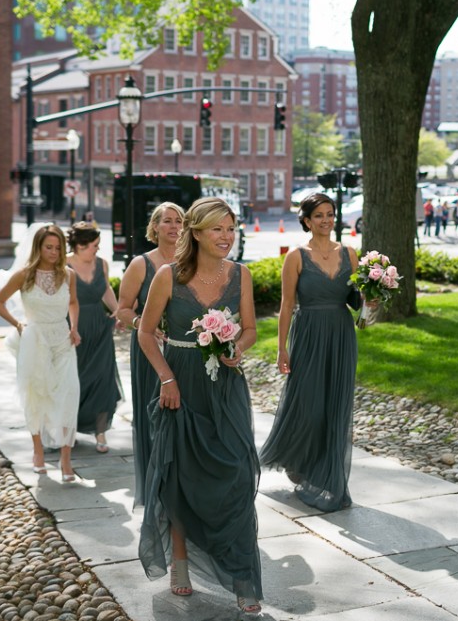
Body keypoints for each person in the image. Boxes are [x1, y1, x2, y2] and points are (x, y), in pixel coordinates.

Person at [136, 197, 263, 616]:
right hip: (181, 382)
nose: (227, 237)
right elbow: (146, 332)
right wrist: (166, 379)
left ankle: (243, 574)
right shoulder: (168, 276)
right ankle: (181, 562)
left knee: (239, 476)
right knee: (180, 475)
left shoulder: (240, 274)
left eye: (231, 229)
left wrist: (238, 349)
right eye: (217, 230)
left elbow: (249, 329)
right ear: (196, 233)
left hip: (225, 386)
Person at [259, 193, 359, 512]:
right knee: (308, 401)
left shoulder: (351, 254)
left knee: (336, 404)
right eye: (319, 215)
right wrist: (281, 348)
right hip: (309, 334)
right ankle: (296, 459)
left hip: (342, 334)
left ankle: (328, 475)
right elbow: (287, 305)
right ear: (306, 221)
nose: (326, 220)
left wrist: (372, 301)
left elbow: (355, 299)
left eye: (330, 214)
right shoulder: (296, 257)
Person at [0, 223, 81, 483]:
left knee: (67, 396)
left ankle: (66, 459)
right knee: (35, 396)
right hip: (35, 339)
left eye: (57, 248)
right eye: (48, 247)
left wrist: (74, 327)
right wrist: (18, 324)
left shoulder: (68, 275)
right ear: (38, 248)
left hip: (63, 340)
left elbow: (73, 302)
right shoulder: (24, 275)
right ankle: (38, 452)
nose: (53, 252)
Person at [116, 202, 184, 506]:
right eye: (167, 221)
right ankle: (156, 487)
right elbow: (123, 309)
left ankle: (183, 483)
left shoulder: (190, 261)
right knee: (154, 417)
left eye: (179, 221)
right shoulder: (141, 264)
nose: (173, 227)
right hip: (150, 349)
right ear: (154, 227)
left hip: (185, 350)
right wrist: (142, 323)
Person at [67, 221, 123, 453]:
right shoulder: (63, 264)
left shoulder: (102, 264)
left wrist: (118, 311)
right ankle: (69, 429)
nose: (97, 249)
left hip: (100, 329)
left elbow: (105, 290)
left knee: (103, 381)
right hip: (73, 330)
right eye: (94, 245)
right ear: (80, 245)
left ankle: (100, 433)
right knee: (74, 381)